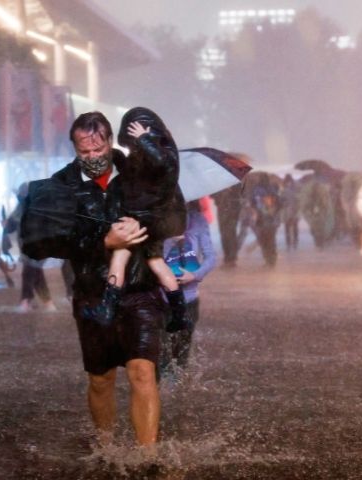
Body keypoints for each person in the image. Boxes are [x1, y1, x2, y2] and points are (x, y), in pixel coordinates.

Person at [24, 111, 182, 447]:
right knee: (101, 378)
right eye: (85, 152)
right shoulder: (61, 186)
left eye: (99, 149)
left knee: (142, 372)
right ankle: (106, 447)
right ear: (74, 148)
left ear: (110, 141)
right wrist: (102, 241)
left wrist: (142, 229)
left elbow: (173, 218)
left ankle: (146, 454)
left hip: (140, 289)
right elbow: (38, 243)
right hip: (93, 293)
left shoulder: (140, 170)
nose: (93, 157)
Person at [81, 107, 189, 333]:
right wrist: (121, 156)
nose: (133, 147)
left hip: (143, 219)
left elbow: (159, 162)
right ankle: (180, 314)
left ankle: (107, 309)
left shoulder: (163, 155)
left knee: (120, 255)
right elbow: (135, 175)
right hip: (153, 219)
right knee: (157, 263)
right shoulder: (157, 156)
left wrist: (144, 138)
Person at [160, 200, 218, 377]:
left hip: (190, 297)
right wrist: (170, 241)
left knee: (182, 348)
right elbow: (151, 258)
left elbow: (210, 256)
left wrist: (195, 275)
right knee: (162, 347)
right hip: (162, 297)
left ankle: (176, 386)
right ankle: (161, 388)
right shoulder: (157, 220)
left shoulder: (197, 220)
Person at [4, 182, 57, 313]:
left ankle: (25, 301)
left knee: (28, 273)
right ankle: (48, 303)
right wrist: (6, 224)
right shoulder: (21, 207)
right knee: (37, 274)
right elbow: (11, 226)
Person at [249, 172, 281, 267]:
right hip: (272, 219)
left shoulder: (256, 190)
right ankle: (272, 260)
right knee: (271, 240)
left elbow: (252, 204)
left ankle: (267, 260)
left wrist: (255, 212)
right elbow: (279, 204)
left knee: (264, 241)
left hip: (260, 219)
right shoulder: (273, 190)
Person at [212, 183, 242, 268]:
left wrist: (230, 191)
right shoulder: (218, 182)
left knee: (230, 233)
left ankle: (231, 258)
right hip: (222, 208)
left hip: (232, 210)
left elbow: (240, 194)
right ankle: (228, 258)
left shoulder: (236, 182)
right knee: (224, 234)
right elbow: (212, 195)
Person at [281, 174, 300, 251]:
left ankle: (293, 242)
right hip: (288, 211)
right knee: (289, 227)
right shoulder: (285, 190)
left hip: (293, 210)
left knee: (293, 227)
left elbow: (298, 200)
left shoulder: (293, 190)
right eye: (287, 182)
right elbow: (281, 200)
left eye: (289, 181)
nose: (288, 183)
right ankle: (290, 243)